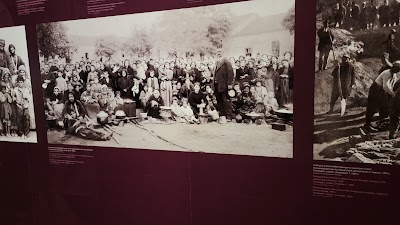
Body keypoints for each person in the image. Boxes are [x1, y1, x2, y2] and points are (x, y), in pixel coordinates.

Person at [362, 62, 400, 133]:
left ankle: (378, 125)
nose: (397, 70)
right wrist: (393, 94)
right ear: (393, 68)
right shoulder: (387, 73)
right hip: (376, 89)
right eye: (396, 69)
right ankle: (366, 126)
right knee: (372, 108)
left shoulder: (394, 75)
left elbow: (392, 84)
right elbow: (385, 86)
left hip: (381, 91)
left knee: (383, 107)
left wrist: (392, 92)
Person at [214, 48, 234, 123]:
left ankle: (229, 116)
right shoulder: (217, 62)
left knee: (226, 100)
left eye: (220, 52)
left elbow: (230, 73)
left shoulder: (226, 61)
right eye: (217, 52)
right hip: (217, 85)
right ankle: (223, 116)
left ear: (223, 52)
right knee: (219, 101)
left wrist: (229, 84)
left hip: (224, 85)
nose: (218, 53)